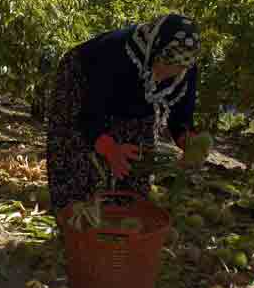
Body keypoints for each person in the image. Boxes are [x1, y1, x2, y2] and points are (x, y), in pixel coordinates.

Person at [46, 14, 205, 213]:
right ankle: (75, 216)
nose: (167, 74)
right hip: (82, 81)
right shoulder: (116, 54)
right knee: (77, 151)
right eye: (165, 64)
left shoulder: (186, 67)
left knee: (138, 157)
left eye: (177, 69)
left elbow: (182, 114)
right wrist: (110, 148)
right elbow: (91, 111)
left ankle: (124, 213)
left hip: (137, 96)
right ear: (154, 50)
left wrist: (190, 143)